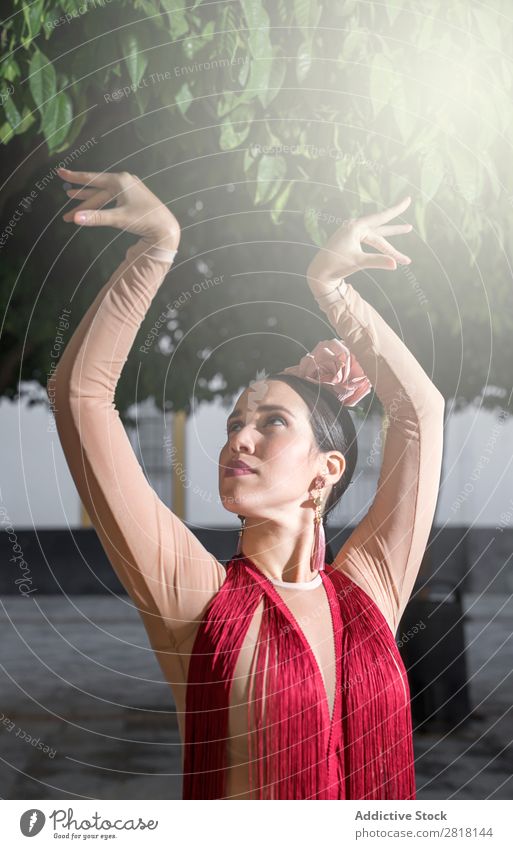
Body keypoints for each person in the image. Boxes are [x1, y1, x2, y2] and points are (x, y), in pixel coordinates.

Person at [50, 168, 444, 800]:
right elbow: (81, 398)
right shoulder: (200, 602)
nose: (239, 437)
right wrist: (157, 250)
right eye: (236, 423)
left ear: (327, 469)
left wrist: (332, 287)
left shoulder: (368, 592)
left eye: (272, 422)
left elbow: (419, 414)